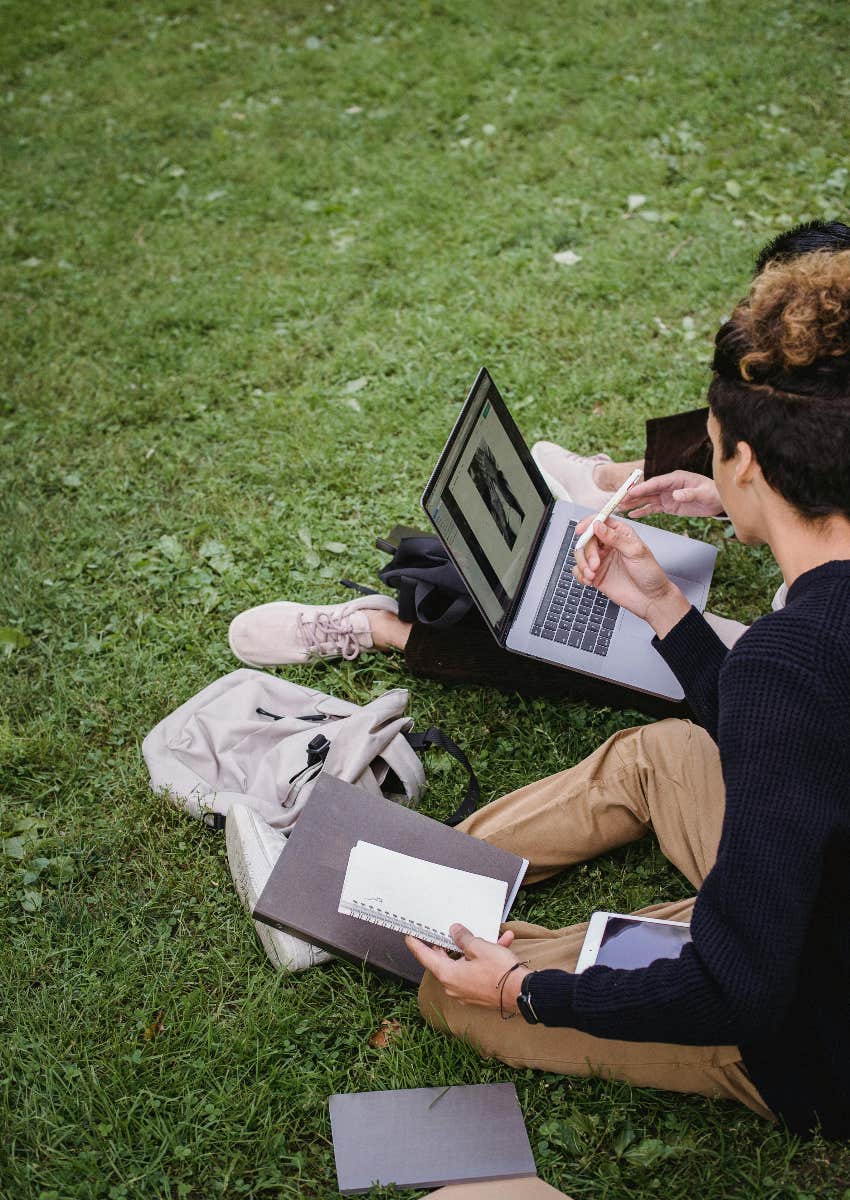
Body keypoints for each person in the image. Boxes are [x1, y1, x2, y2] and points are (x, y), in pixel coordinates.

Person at [403, 249, 850, 1139]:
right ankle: (410, 873)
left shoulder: (790, 661)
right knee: (666, 753)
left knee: (450, 1000)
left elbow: (740, 989)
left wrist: (521, 991)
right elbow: (798, 733)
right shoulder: (803, 653)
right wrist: (662, 609)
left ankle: (439, 933)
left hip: (815, 1031)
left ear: (747, 467)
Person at [228, 227, 850, 721]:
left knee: (592, 656)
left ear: (748, 464)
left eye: (715, 447)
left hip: (788, 679)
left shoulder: (788, 668)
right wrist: (716, 510)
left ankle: (384, 628)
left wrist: (665, 617)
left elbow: (744, 722)